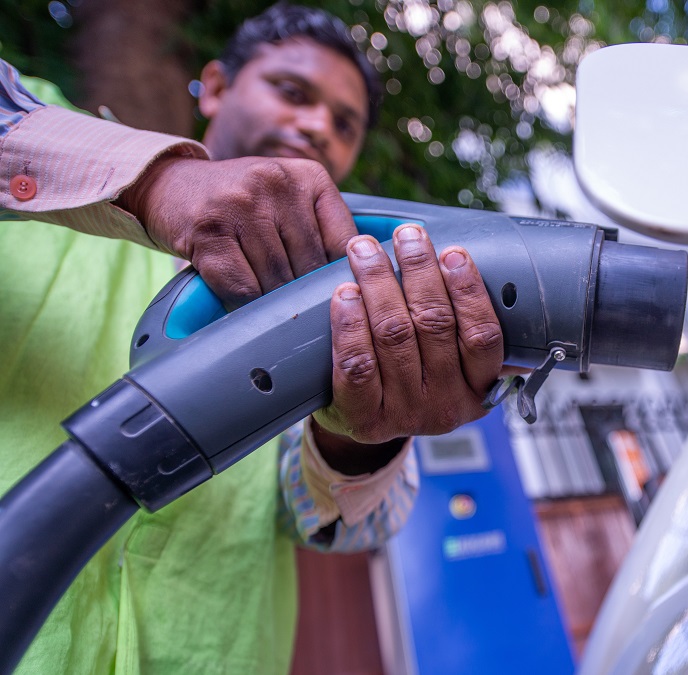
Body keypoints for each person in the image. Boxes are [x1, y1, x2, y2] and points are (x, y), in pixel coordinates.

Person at [0, 4, 500, 672]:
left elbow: (343, 524)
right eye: (293, 91)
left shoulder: (339, 291)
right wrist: (160, 181)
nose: (319, 125)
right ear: (214, 85)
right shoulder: (53, 143)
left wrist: (361, 429)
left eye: (344, 124)